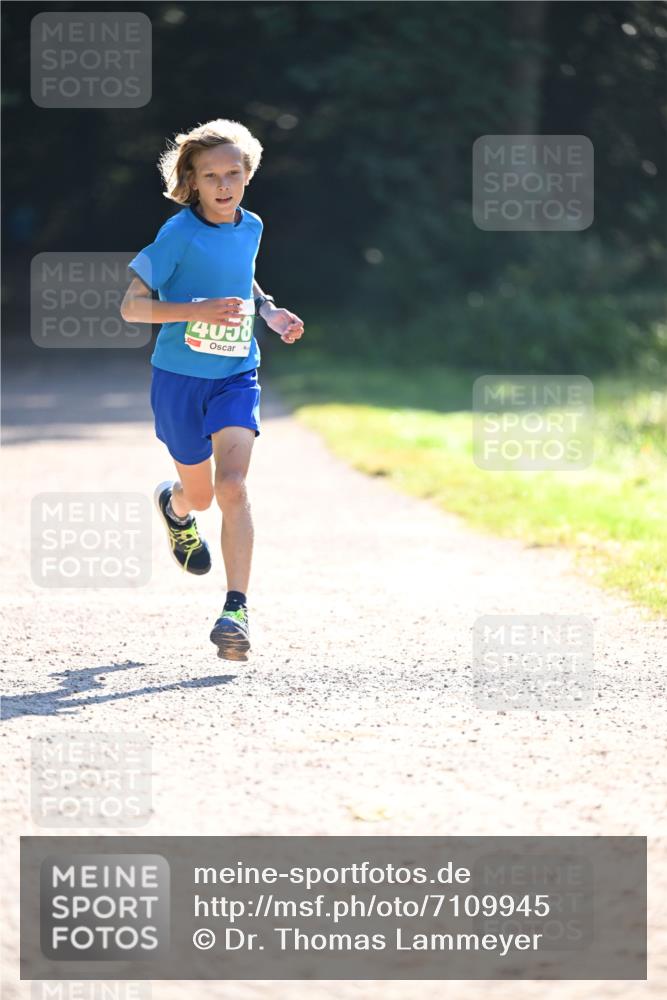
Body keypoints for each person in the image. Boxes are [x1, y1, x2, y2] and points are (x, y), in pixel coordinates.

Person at [120, 119, 304, 660]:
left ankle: (236, 610)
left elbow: (241, 276)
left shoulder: (252, 226)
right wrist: (195, 310)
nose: (223, 185)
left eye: (233, 173)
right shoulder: (177, 235)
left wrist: (268, 312)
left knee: (233, 486)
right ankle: (176, 510)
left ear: (248, 175)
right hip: (179, 380)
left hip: (235, 373)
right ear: (192, 182)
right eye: (210, 176)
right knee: (199, 495)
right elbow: (132, 307)